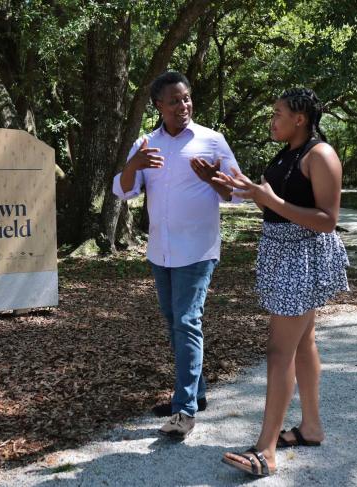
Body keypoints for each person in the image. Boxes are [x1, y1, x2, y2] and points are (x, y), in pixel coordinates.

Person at [213, 88, 349, 477]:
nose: (272, 120)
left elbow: (327, 219)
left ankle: (266, 451)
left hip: (302, 256)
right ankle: (311, 428)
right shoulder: (287, 152)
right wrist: (238, 188)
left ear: (300, 118)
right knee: (303, 343)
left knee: (279, 351)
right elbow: (271, 200)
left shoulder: (320, 155)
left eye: (277, 113)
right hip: (281, 254)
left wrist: (269, 201)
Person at [112, 71, 241, 439]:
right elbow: (123, 193)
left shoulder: (211, 141)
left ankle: (183, 409)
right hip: (161, 251)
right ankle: (196, 394)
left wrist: (213, 180)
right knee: (174, 323)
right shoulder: (146, 143)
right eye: (174, 101)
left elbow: (238, 192)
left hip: (197, 250)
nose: (183, 106)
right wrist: (133, 166)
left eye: (186, 98)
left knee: (186, 321)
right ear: (159, 106)